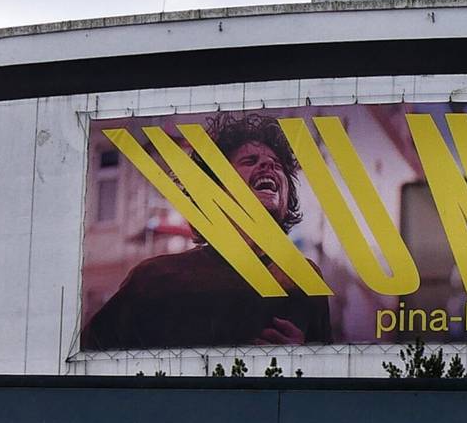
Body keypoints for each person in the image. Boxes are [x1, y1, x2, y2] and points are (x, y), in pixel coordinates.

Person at [81, 113, 333, 350]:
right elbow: (89, 362)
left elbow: (328, 385)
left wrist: (303, 358)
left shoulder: (307, 279)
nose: (268, 164)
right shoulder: (154, 279)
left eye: (277, 164)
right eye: (250, 160)